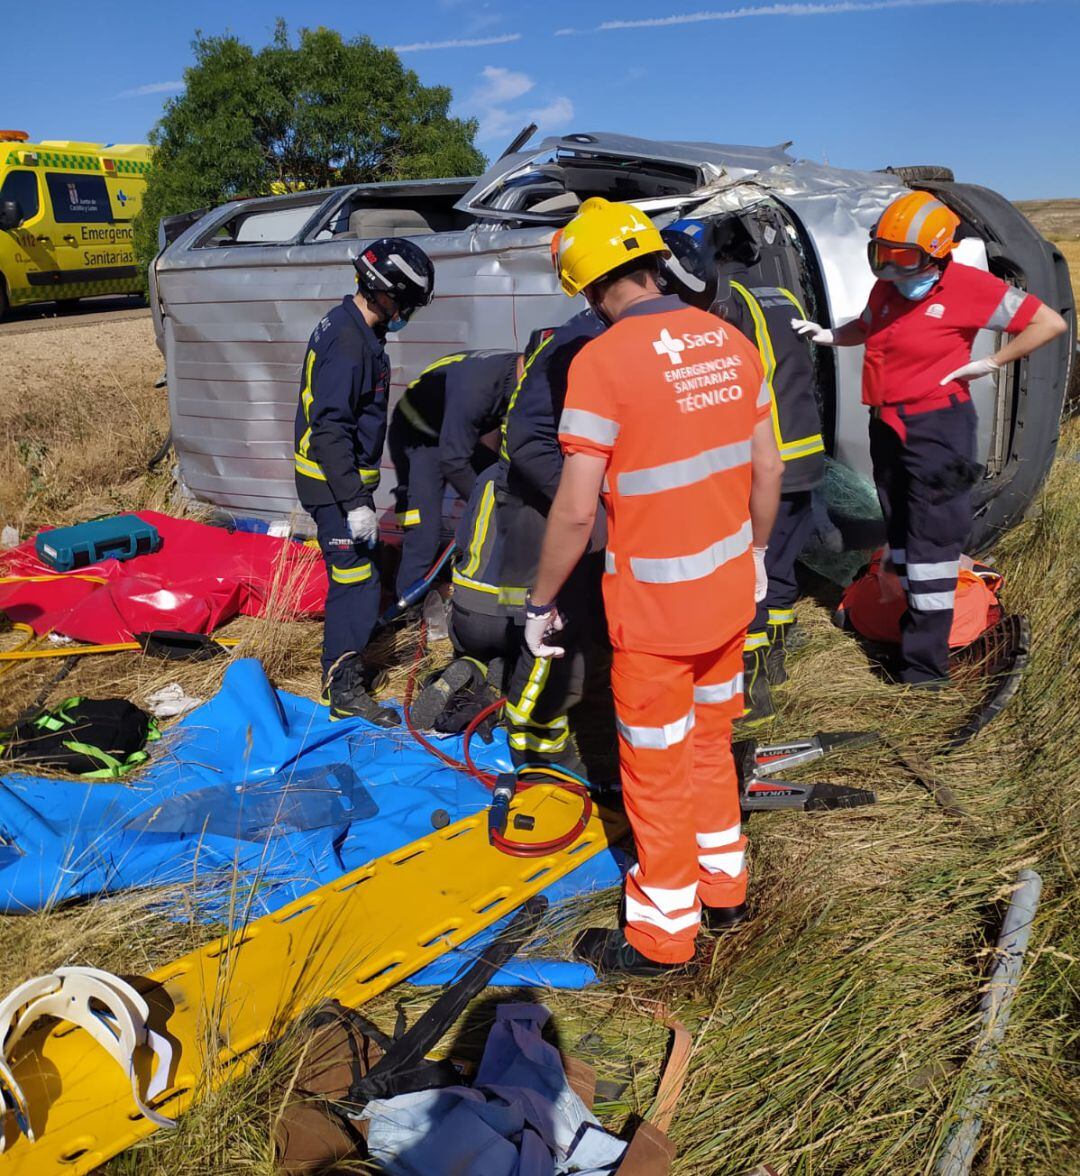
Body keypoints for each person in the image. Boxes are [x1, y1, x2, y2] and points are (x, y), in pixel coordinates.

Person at [525, 197, 784, 976]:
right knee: (709, 745)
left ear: (588, 287)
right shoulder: (729, 340)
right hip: (730, 594)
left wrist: (540, 602)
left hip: (655, 616)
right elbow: (768, 468)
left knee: (655, 767)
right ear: (651, 263)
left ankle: (663, 936)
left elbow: (576, 511)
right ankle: (725, 892)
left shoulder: (600, 363)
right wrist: (758, 553)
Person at [792, 190, 1066, 684]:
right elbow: (867, 326)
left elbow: (1048, 322)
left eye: (901, 258)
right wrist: (830, 335)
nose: (888, 268)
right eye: (881, 255)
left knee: (931, 547)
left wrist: (991, 362)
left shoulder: (970, 287)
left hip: (936, 429)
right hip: (887, 423)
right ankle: (895, 620)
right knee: (900, 530)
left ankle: (924, 668)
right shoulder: (888, 287)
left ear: (937, 254)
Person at [661, 218, 827, 721]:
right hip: (806, 452)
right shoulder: (784, 298)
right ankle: (777, 656)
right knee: (780, 565)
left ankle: (753, 691)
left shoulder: (727, 309)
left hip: (765, 461)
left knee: (747, 576)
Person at [294, 237, 435, 723]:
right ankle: (342, 689)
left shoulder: (351, 326)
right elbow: (330, 429)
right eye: (406, 305)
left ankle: (348, 656)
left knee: (362, 573)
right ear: (385, 293)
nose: (406, 315)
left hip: (339, 483)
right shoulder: (351, 345)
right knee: (355, 579)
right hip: (333, 485)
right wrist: (354, 502)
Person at [497, 303, 607, 771]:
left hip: (582, 508)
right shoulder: (577, 344)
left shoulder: (609, 335)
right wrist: (584, 503)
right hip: (553, 509)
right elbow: (528, 442)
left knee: (582, 624)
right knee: (555, 625)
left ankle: (566, 719)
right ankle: (534, 742)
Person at [389, 350, 521, 598]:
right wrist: (484, 503)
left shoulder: (518, 378)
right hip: (419, 437)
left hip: (455, 432)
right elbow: (454, 462)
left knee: (505, 488)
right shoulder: (477, 386)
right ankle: (407, 605)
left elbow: (491, 434)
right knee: (424, 530)